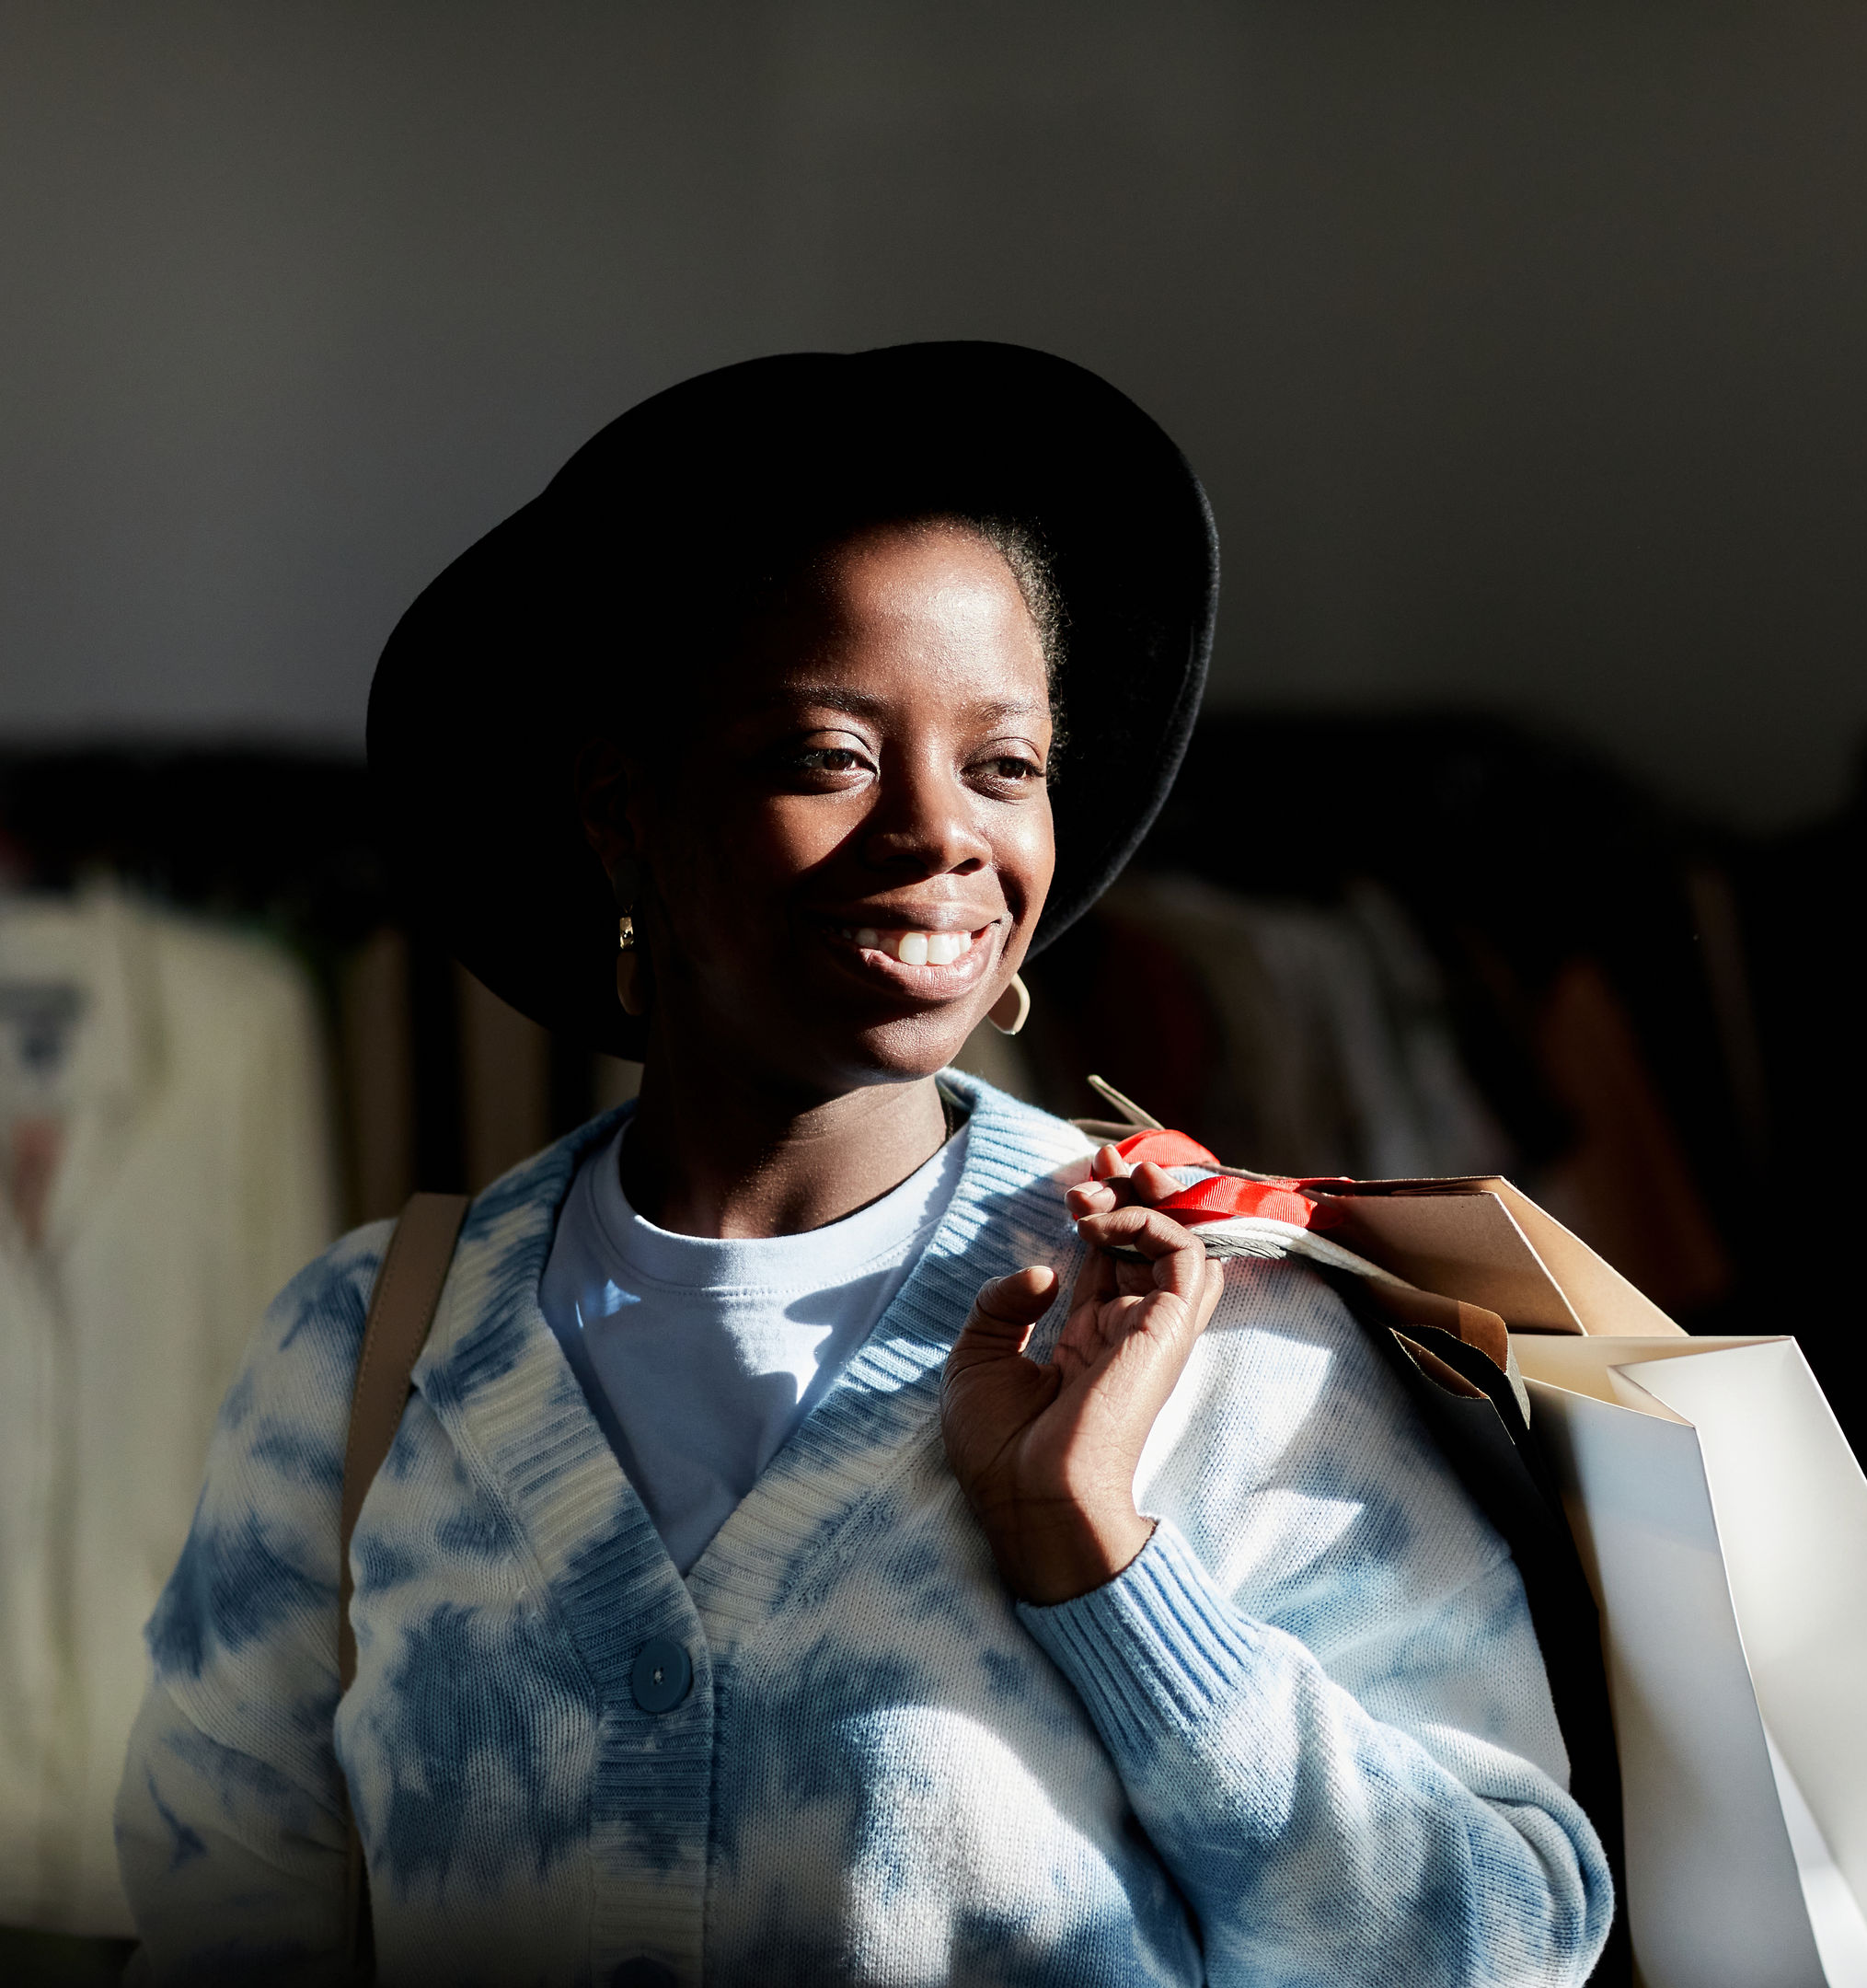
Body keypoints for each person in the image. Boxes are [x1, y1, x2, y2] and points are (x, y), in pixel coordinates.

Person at [115, 343, 1612, 1986]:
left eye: (1007, 763)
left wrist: (1103, 1565)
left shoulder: (1212, 1326)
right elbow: (223, 1913)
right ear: (624, 811)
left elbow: (1502, 1934)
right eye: (830, 754)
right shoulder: (364, 1354)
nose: (944, 836)